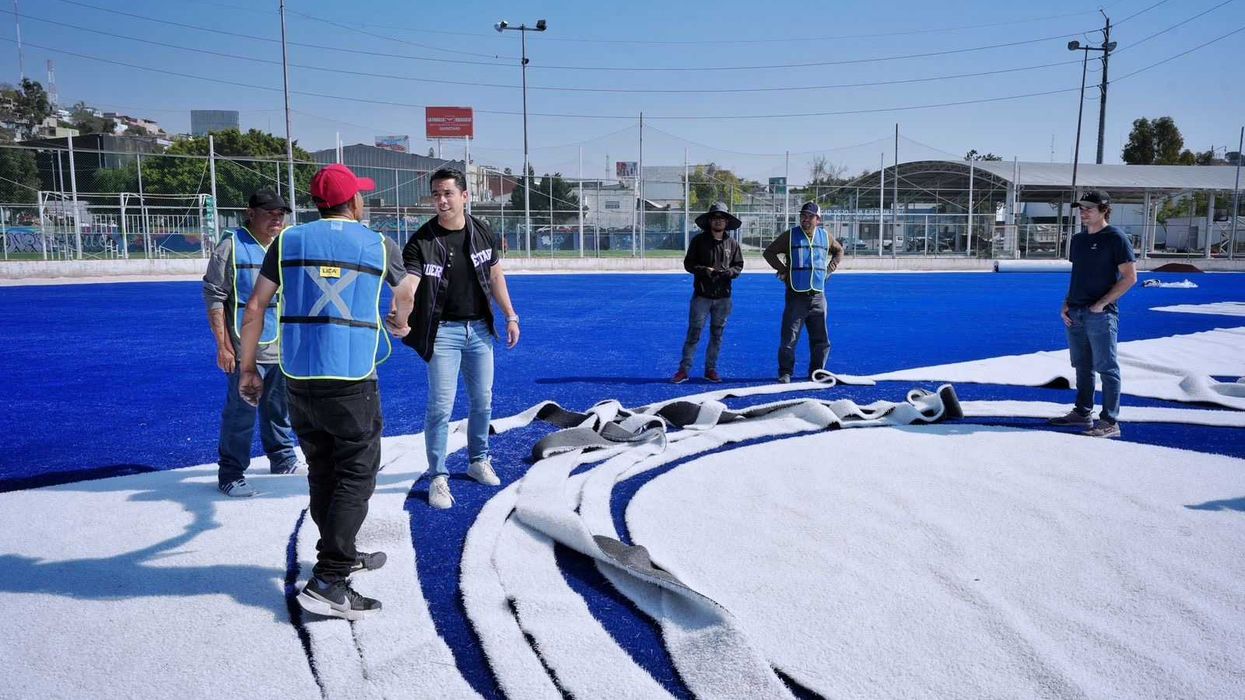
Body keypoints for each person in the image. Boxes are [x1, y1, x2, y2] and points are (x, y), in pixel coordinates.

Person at [237, 164, 417, 620]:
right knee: (356, 475)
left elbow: (256, 305)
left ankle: (342, 551)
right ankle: (330, 579)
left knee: (323, 470)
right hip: (352, 378)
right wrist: (401, 319)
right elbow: (408, 289)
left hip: (298, 374)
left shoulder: (287, 241)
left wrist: (247, 368)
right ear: (353, 202)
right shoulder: (377, 243)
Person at [399, 168, 520, 510]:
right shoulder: (422, 241)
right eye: (436, 194)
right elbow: (411, 282)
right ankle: (438, 475)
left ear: (465, 196)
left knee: (482, 400)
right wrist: (402, 309)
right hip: (443, 334)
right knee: (441, 407)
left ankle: (478, 459)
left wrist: (510, 315)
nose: (441, 200)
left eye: (448, 193)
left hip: (480, 329)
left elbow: (495, 274)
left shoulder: (482, 231)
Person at [202, 190, 300, 498]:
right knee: (241, 412)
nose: (277, 218)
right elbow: (215, 296)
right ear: (250, 212)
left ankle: (282, 459)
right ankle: (231, 473)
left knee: (280, 408)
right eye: (270, 212)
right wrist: (222, 345)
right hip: (246, 349)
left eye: (281, 213)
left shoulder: (287, 244)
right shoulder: (231, 246)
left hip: (281, 348)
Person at [1049, 190, 1137, 438]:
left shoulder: (1115, 238)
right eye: (1081, 208)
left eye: (1089, 208)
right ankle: (1082, 413)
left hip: (1100, 314)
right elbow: (1080, 275)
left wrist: (1102, 303)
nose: (1083, 212)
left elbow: (1130, 278)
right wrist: (1067, 302)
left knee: (1107, 368)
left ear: (1103, 209)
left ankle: (1110, 421)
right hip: (1075, 312)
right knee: (1082, 366)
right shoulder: (1078, 240)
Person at [762, 201, 844, 383]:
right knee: (789, 338)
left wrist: (830, 268)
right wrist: (783, 270)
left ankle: (817, 371)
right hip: (796, 296)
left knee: (821, 339)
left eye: (810, 216)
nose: (805, 219)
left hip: (818, 296)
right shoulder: (790, 236)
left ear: (818, 219)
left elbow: (839, 250)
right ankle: (785, 372)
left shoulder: (825, 236)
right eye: (803, 216)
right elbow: (769, 252)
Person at [672, 201, 744, 383]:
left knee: (717, 335)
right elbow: (688, 264)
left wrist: (730, 272)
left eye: (722, 218)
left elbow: (739, 265)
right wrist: (704, 270)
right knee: (694, 333)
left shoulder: (732, 244)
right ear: (709, 221)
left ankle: (710, 369)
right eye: (715, 218)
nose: (718, 221)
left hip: (723, 297)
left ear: (727, 222)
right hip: (702, 297)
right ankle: (684, 369)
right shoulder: (698, 241)